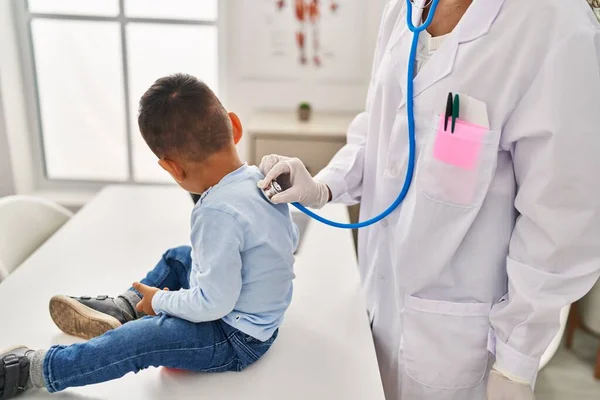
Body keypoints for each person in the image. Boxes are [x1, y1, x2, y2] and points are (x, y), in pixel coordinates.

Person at [258, 0, 600, 399]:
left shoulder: (553, 22)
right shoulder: (404, 10)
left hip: (461, 346)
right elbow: (379, 128)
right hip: (375, 310)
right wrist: (325, 185)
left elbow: (562, 217)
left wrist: (515, 364)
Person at [0, 74, 298, 398]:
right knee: (179, 257)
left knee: (140, 340)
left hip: (234, 338)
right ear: (235, 126)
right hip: (259, 319)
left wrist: (161, 301)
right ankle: (127, 307)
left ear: (172, 168)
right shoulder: (261, 178)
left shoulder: (217, 213)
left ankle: (36, 369)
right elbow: (287, 241)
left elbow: (214, 304)